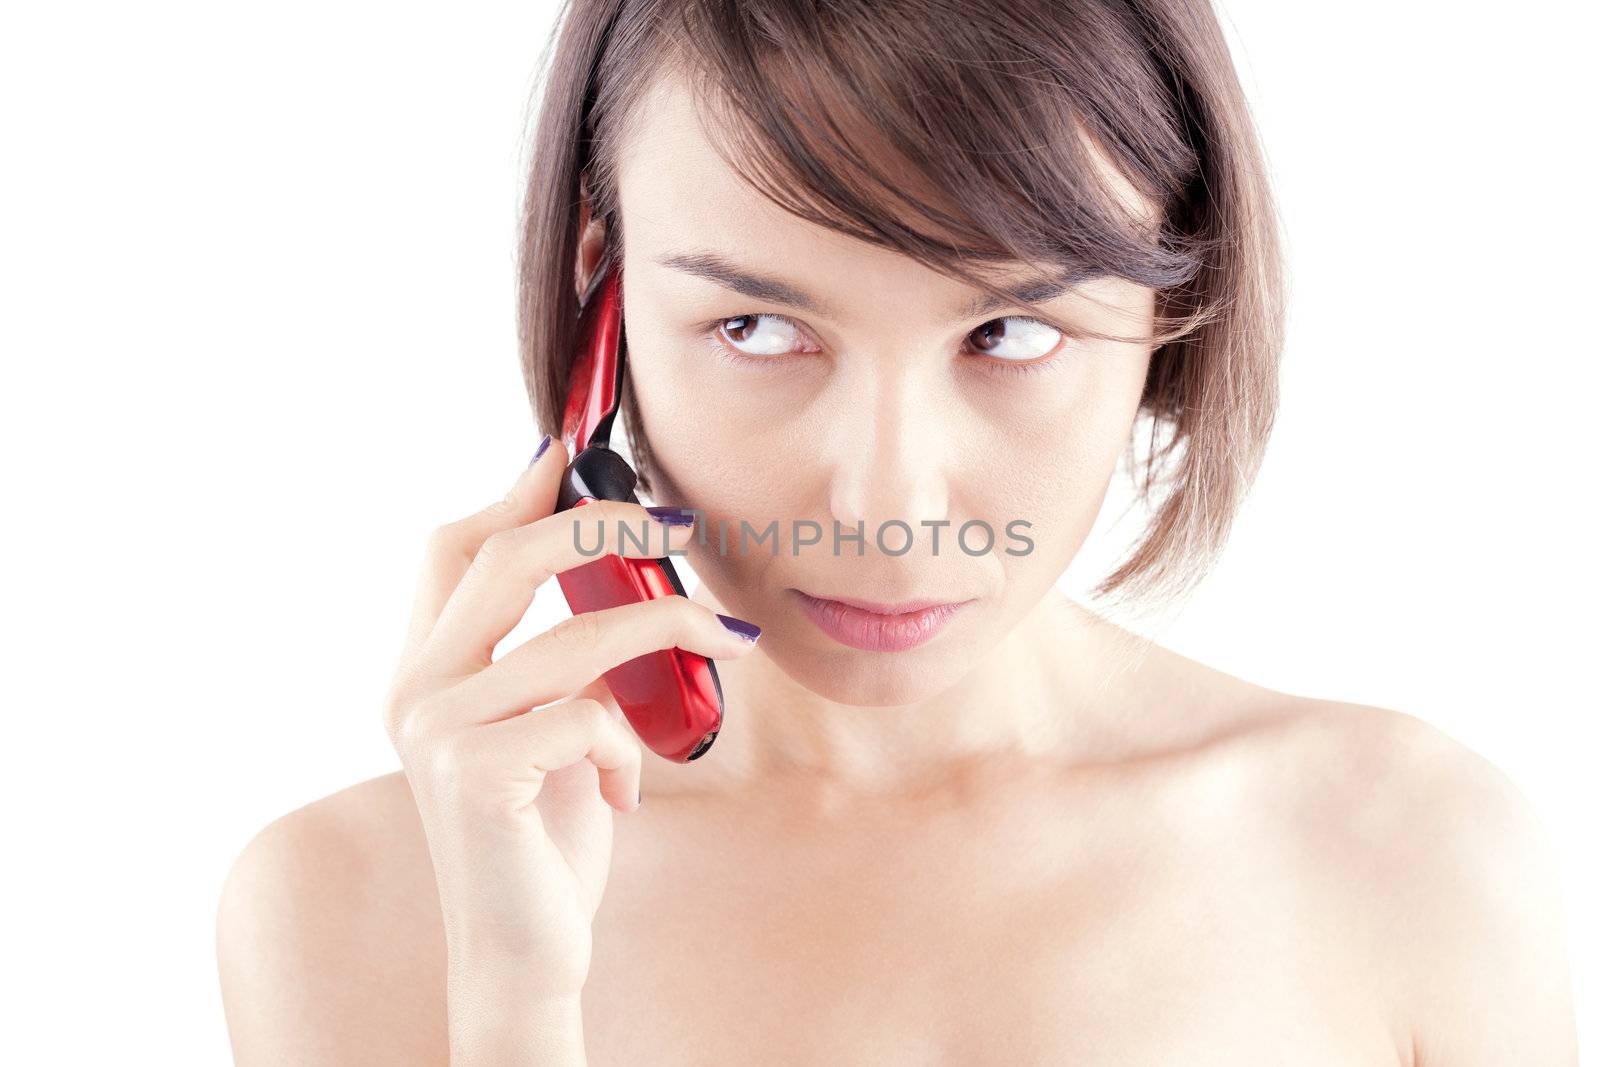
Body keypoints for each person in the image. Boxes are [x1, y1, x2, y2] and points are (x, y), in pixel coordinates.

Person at [216, 1, 1579, 1063]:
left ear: (1169, 305)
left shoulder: (1412, 857)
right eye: (758, 328)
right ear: (602, 302)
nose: (884, 503)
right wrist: (516, 1007)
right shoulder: (361, 907)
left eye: (1011, 331)